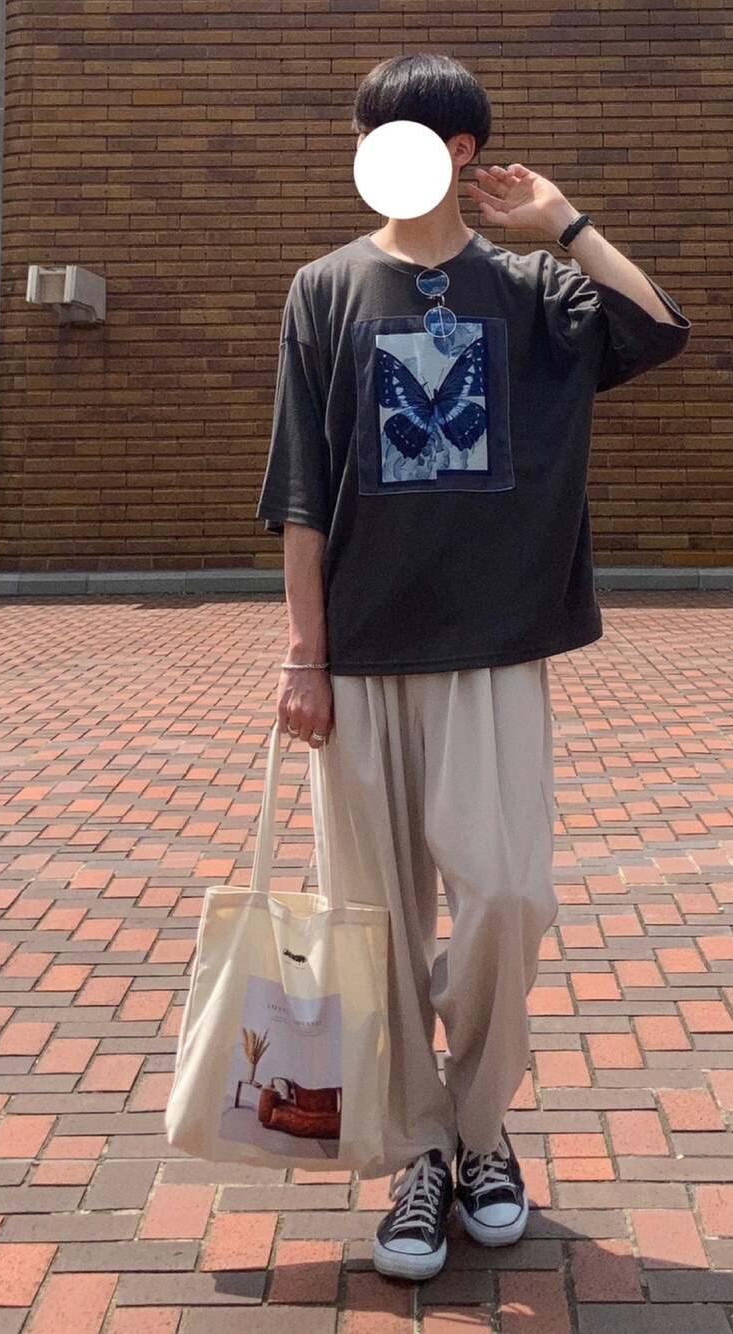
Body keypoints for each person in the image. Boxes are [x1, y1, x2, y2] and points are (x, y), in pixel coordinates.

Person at [256, 52, 692, 1282]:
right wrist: (304, 657)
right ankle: (419, 1150)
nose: (373, 148)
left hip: (494, 647)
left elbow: (658, 328)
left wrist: (565, 223)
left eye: (397, 131)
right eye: (365, 131)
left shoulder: (530, 288)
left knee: (505, 895)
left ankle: (480, 1123)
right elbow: (302, 490)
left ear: (459, 151)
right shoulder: (325, 287)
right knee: (376, 923)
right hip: (362, 656)